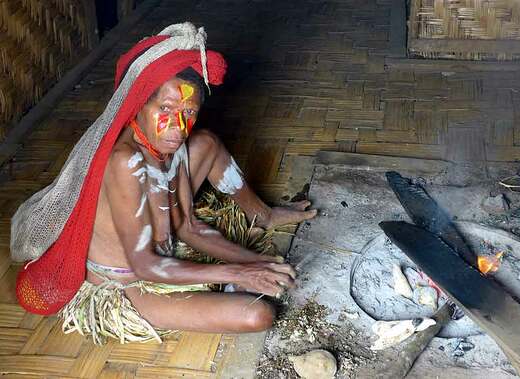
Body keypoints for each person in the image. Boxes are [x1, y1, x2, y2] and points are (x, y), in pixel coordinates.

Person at [10, 22, 316, 344]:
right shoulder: (124, 162)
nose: (177, 126)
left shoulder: (167, 141)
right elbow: (145, 267)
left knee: (207, 143)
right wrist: (237, 272)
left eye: (189, 111)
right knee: (258, 315)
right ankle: (225, 286)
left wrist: (257, 262)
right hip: (128, 285)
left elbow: (188, 226)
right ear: (140, 104)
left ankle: (263, 215)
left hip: (160, 248)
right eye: (165, 109)